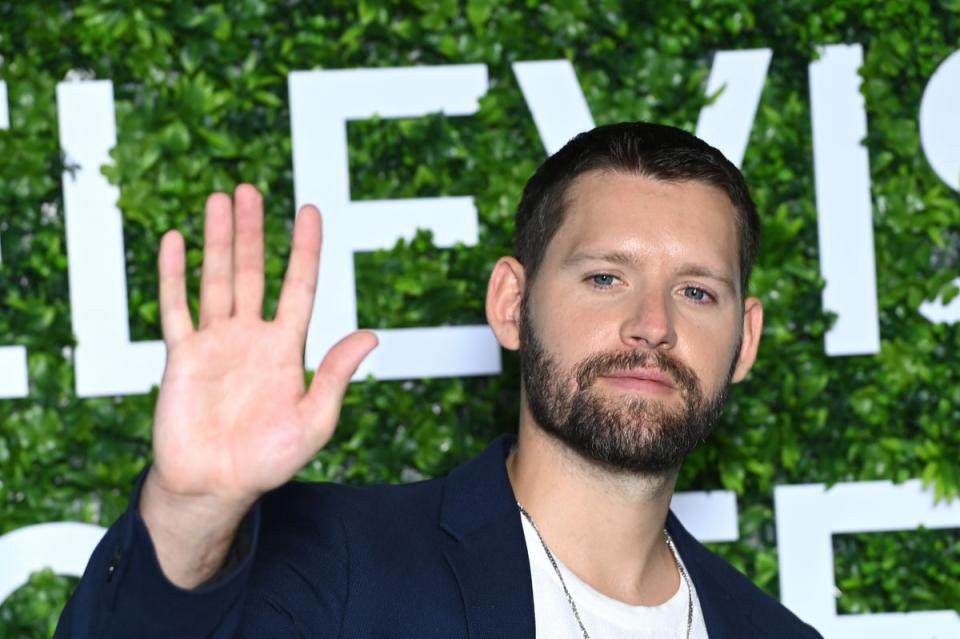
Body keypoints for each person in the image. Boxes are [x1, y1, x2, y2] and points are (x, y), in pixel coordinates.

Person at [54, 122, 822, 638]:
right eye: (604, 277)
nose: (651, 324)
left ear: (745, 337)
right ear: (512, 303)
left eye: (696, 292)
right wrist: (190, 512)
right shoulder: (337, 563)